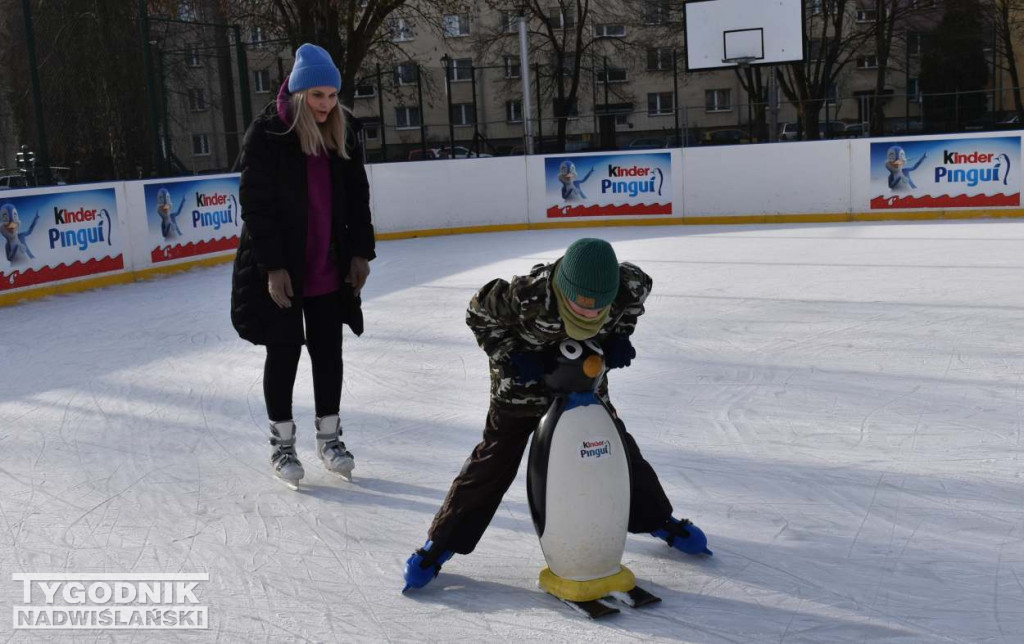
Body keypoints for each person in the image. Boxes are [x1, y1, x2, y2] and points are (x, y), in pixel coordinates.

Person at [403, 238, 711, 590]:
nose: (592, 313)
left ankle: (656, 518)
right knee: (495, 459)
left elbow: (633, 306)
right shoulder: (526, 295)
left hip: (584, 382)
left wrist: (620, 336)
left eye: (602, 307)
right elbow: (478, 313)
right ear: (565, 289)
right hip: (523, 386)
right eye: (582, 304)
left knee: (615, 448)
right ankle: (441, 543)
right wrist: (511, 355)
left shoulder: (629, 286)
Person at [230, 43, 375, 487]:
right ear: (297, 92)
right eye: (317, 96)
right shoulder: (268, 133)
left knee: (328, 351)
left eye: (332, 96)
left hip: (328, 264)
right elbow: (257, 207)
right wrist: (273, 267)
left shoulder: (342, 131)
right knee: (285, 351)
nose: (326, 105)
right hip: (285, 267)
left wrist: (360, 253)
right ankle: (282, 445)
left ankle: (330, 439)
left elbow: (357, 196)